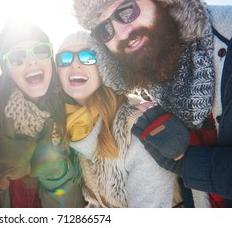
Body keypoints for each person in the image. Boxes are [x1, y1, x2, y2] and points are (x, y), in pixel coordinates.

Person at [73, 0, 232, 207]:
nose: (122, 33)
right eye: (105, 29)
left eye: (126, 11)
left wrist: (184, 160)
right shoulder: (150, 86)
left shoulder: (227, 35)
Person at [0, 22, 85, 208]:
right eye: (17, 56)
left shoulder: (73, 120)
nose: (31, 61)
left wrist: (58, 177)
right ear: (7, 68)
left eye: (40, 51)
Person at [56, 31, 190, 207]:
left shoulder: (135, 124)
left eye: (88, 56)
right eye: (65, 58)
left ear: (103, 67)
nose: (75, 64)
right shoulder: (68, 128)